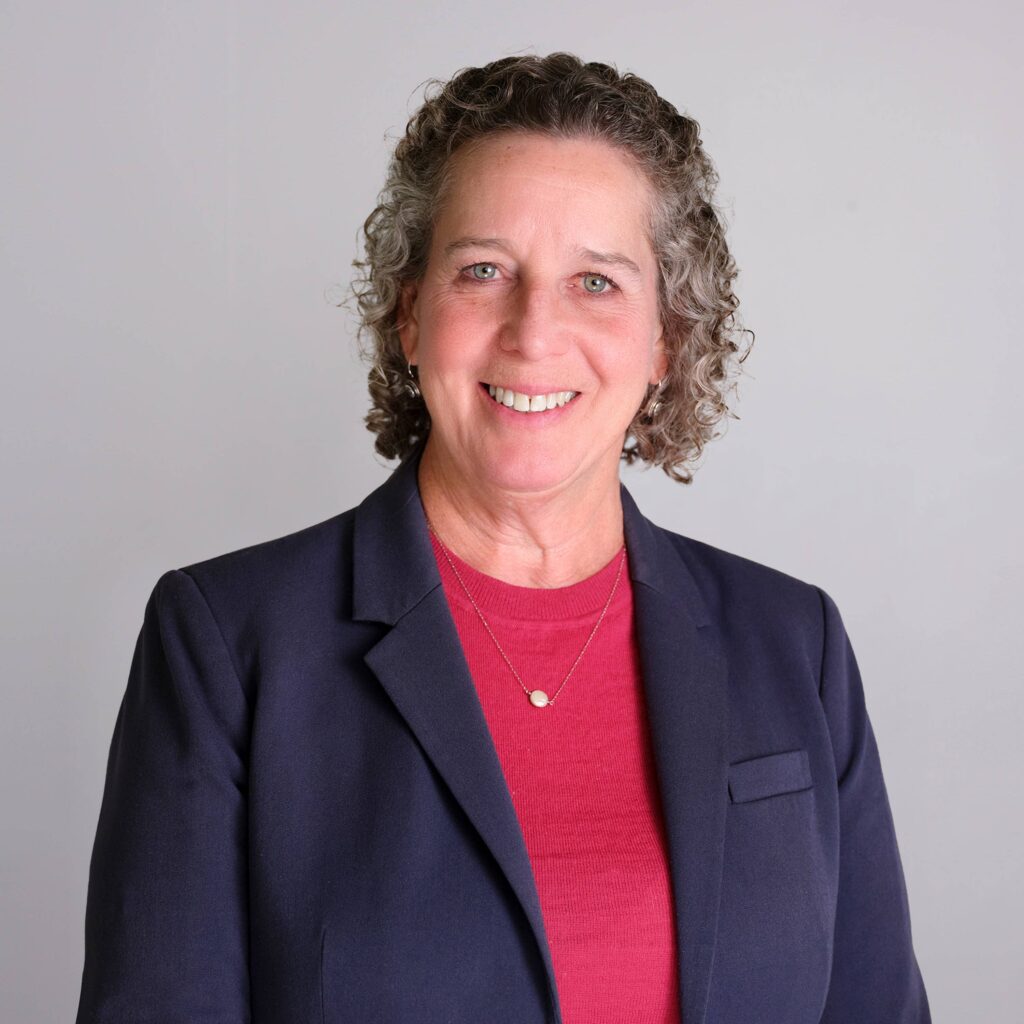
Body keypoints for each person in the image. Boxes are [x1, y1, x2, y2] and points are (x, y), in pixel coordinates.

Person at [76, 52, 931, 1023]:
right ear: (408, 314)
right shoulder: (227, 645)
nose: (533, 330)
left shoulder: (795, 643)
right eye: (483, 271)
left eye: (596, 282)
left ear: (666, 339)